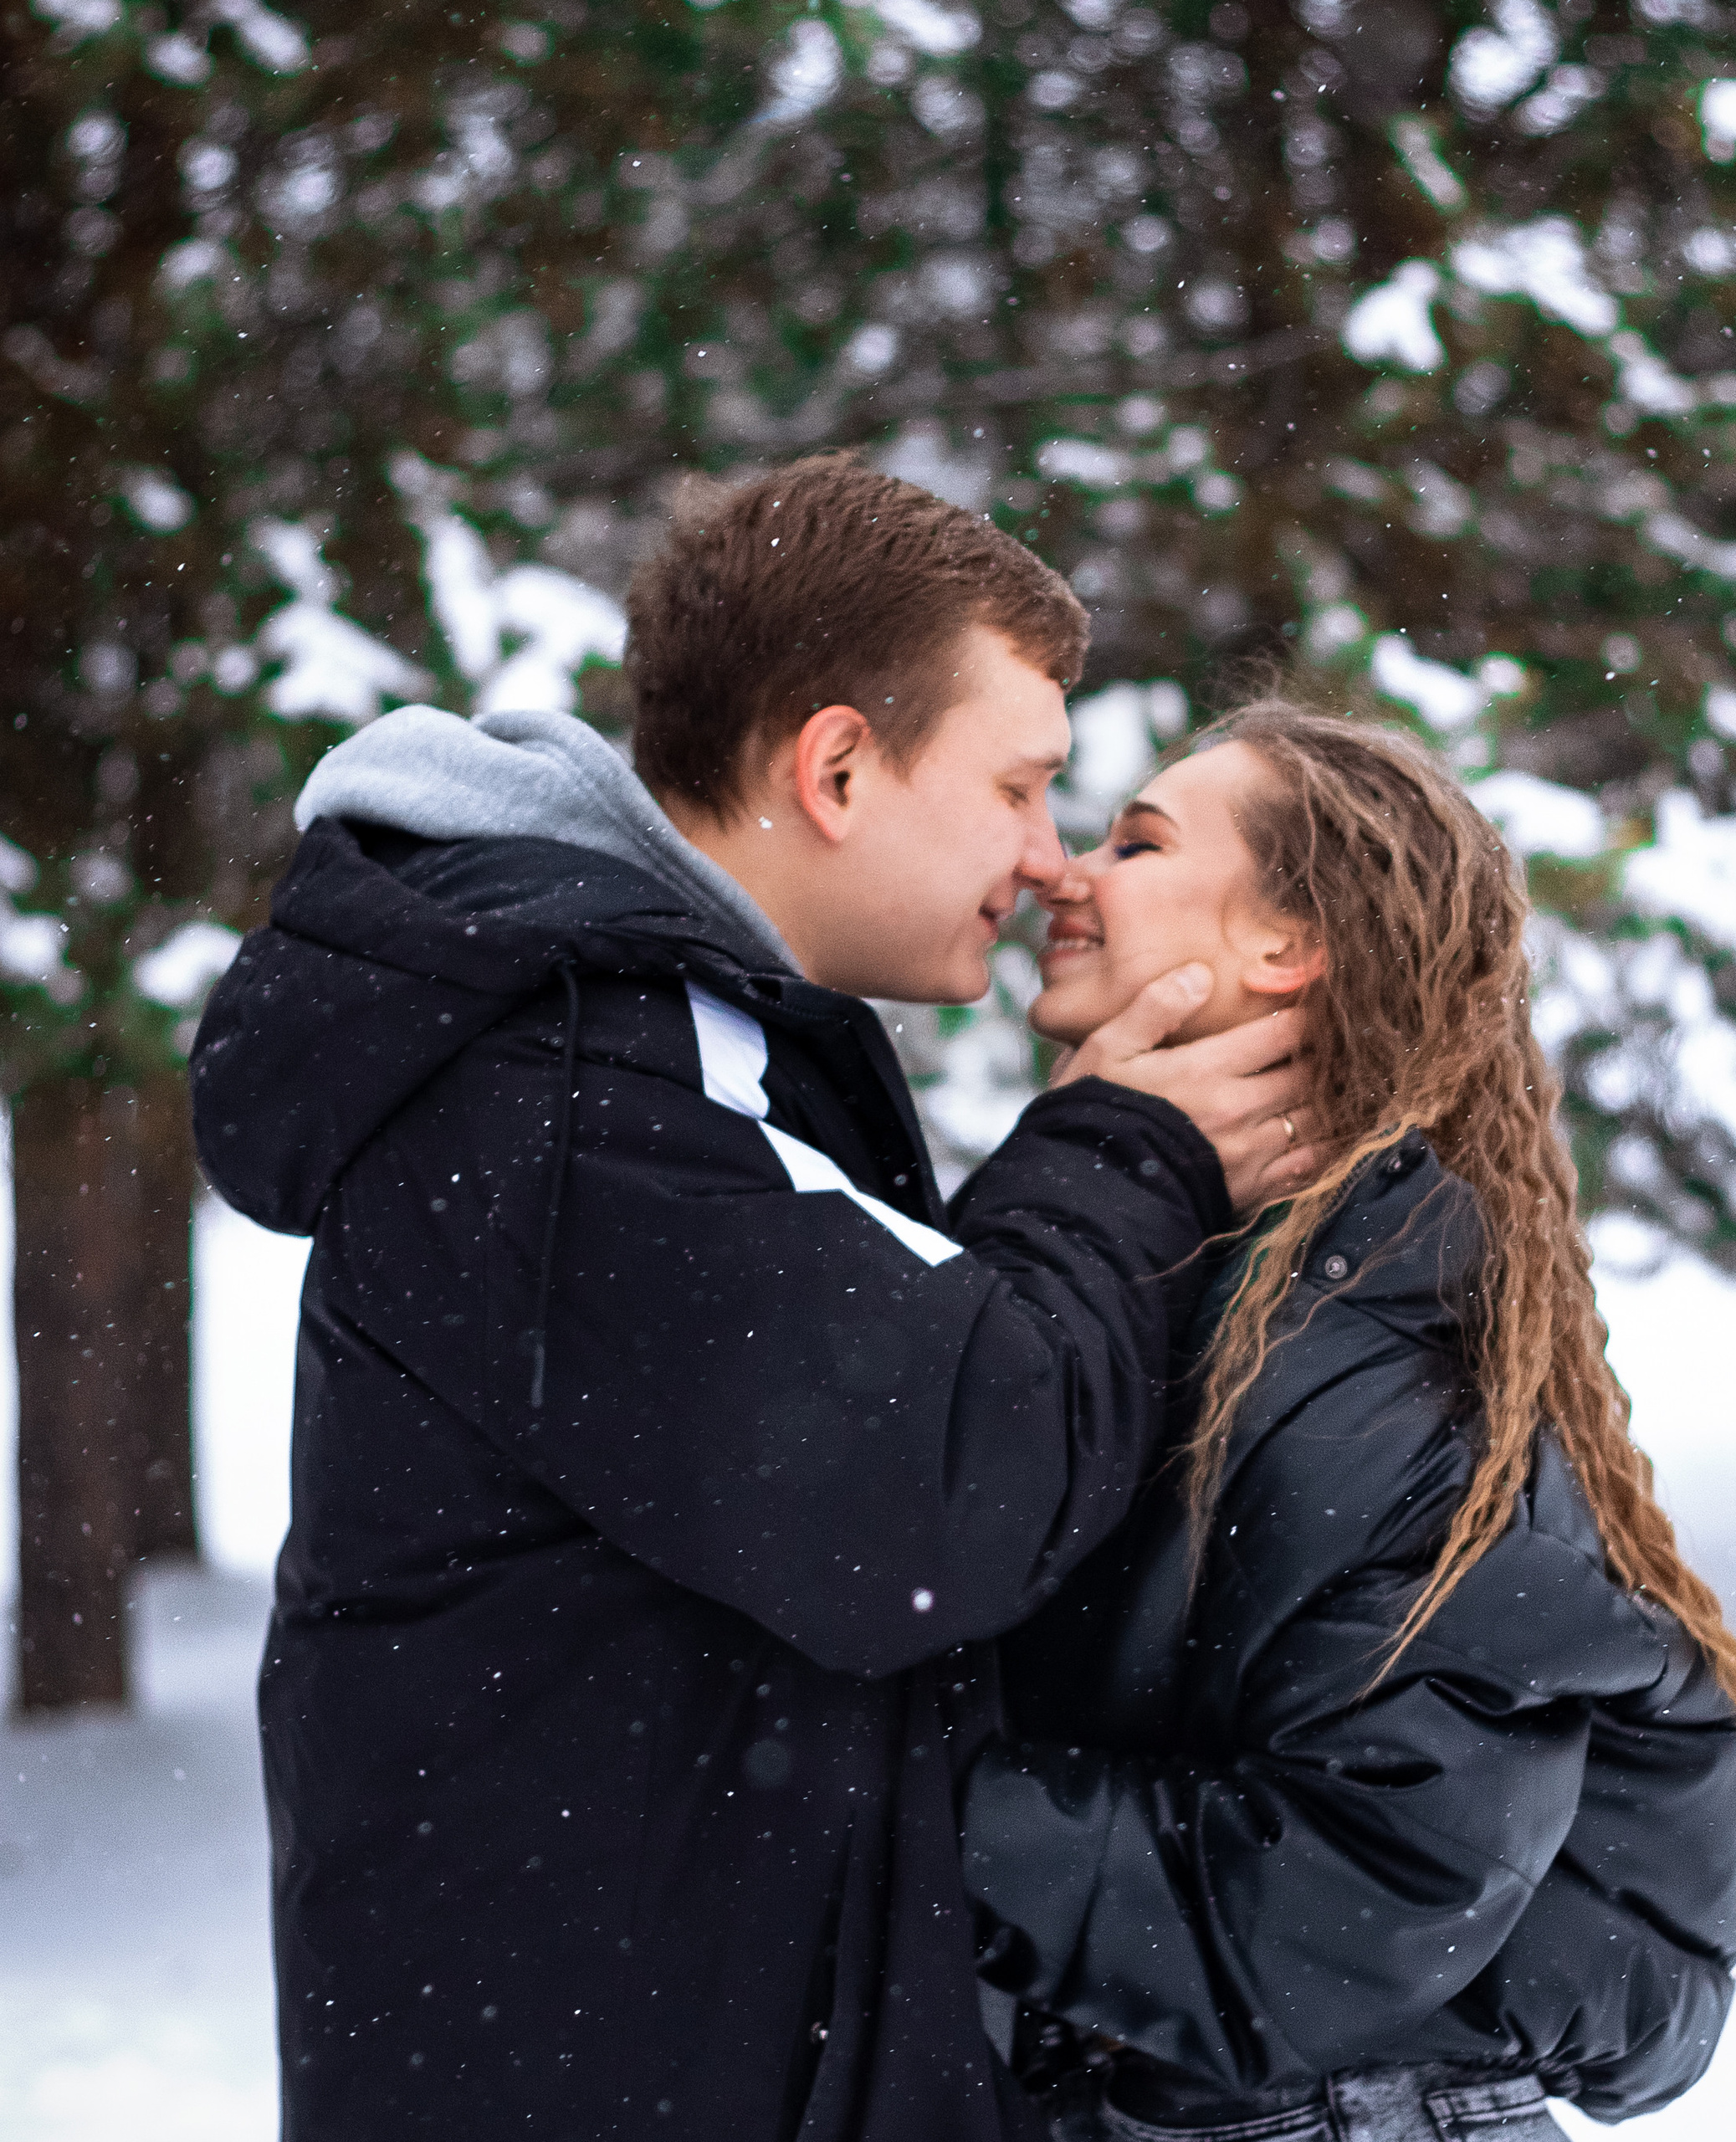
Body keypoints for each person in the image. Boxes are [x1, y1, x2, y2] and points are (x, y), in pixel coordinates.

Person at [190, 457, 1322, 2142]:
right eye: (1020, 786)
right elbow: (939, 1494)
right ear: (840, 765)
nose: (1046, 859)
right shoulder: (572, 1089)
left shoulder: (667, 1059)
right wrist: (1120, 1152)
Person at [961, 701, 1736, 2140]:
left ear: (1288, 949)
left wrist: (895, 1808)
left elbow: (1332, 1912)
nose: (1066, 873)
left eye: (1138, 841)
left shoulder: (1365, 1358)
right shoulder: (1170, 1281)